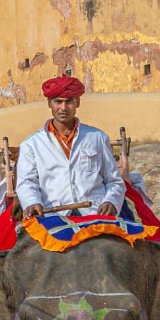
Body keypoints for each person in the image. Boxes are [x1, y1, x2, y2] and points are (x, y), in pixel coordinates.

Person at [15, 75, 125, 221]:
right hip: (52, 215)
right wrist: (32, 202)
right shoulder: (31, 144)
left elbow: (114, 181)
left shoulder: (97, 137)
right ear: (49, 103)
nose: (63, 108)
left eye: (69, 102)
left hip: (95, 213)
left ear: (77, 102)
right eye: (58, 102)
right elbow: (26, 183)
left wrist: (110, 201)